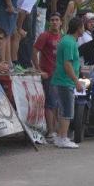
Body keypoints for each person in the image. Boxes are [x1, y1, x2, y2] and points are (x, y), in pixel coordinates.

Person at [51, 17, 85, 149]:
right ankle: (63, 138)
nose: (84, 29)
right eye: (82, 26)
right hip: (65, 81)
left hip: (62, 80)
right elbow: (67, 64)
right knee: (67, 110)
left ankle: (60, 136)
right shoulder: (69, 42)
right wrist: (76, 81)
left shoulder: (66, 40)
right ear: (78, 28)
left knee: (63, 109)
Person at [33, 12, 62, 140]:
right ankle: (50, 132)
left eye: (57, 20)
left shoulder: (63, 37)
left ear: (61, 22)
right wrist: (39, 70)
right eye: (52, 19)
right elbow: (34, 52)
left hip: (61, 75)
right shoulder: (45, 35)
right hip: (49, 75)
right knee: (50, 103)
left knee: (58, 104)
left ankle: (57, 130)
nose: (54, 22)